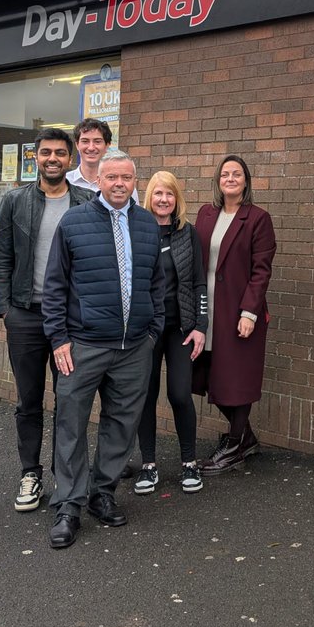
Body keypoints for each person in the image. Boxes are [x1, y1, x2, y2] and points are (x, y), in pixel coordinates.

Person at [42, 150, 165, 549]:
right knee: (71, 424)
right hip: (84, 345)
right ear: (98, 180)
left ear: (135, 181)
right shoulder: (74, 222)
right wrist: (59, 338)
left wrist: (152, 332)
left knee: (121, 424)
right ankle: (68, 505)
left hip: (134, 348)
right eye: (111, 177)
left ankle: (102, 493)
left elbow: (157, 285)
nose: (118, 184)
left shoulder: (147, 225)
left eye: (126, 178)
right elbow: (55, 285)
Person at [0, 127, 94, 512]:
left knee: (70, 401)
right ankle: (30, 473)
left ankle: (65, 477)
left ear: (71, 159)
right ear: (35, 157)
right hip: (24, 316)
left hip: (69, 322)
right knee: (29, 400)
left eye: (60, 153)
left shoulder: (87, 202)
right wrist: (6, 308)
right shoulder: (15, 201)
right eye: (46, 152)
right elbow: (2, 255)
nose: (53, 158)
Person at [195, 155, 277, 475]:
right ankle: (246, 437)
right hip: (208, 309)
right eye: (225, 174)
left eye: (237, 174)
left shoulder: (257, 218)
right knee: (212, 374)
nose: (230, 178)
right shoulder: (206, 214)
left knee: (236, 377)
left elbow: (261, 271)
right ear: (218, 180)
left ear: (246, 181)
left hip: (239, 311)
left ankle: (234, 446)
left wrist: (249, 313)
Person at [133, 172, 208, 496]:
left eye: (170, 194)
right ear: (150, 197)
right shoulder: (137, 230)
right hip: (146, 330)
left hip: (181, 328)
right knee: (145, 396)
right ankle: (148, 465)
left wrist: (201, 326)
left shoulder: (187, 233)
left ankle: (189, 462)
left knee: (179, 394)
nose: (164, 199)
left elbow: (199, 282)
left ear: (177, 200)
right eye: (158, 193)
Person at [65, 118, 112, 192]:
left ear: (107, 145)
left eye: (97, 141)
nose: (91, 148)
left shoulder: (120, 185)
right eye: (85, 141)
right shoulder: (64, 182)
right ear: (77, 145)